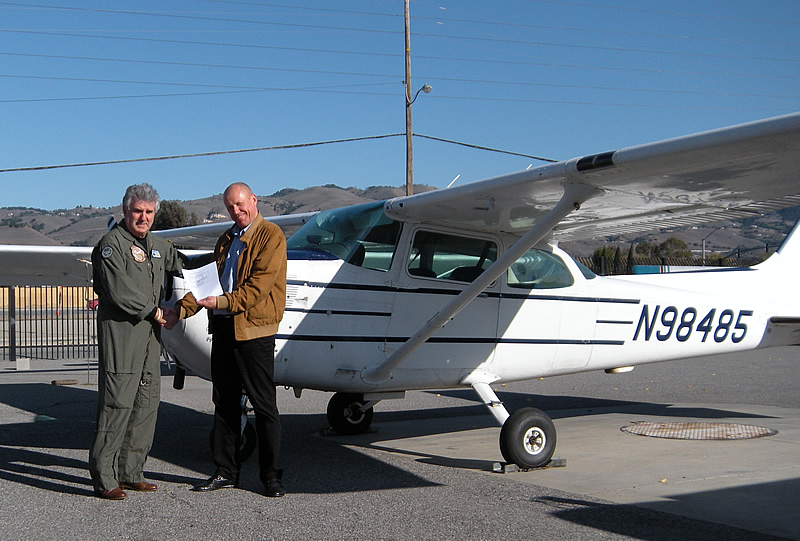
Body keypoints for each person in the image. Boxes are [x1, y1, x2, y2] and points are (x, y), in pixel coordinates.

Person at [171, 182, 287, 498]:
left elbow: (256, 289)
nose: (236, 211)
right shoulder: (226, 240)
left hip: (254, 333)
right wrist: (178, 312)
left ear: (254, 200)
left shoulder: (271, 237)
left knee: (264, 406)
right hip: (223, 330)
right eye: (230, 207)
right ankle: (225, 471)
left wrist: (219, 303)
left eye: (240, 204)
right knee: (224, 404)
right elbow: (208, 285)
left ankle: (271, 476)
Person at [88, 183, 183, 500]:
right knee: (117, 404)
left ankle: (131, 471)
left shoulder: (158, 245)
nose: (144, 217)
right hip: (123, 336)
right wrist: (156, 312)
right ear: (125, 210)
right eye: (138, 211)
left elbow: (182, 266)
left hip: (150, 339)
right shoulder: (111, 245)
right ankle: (104, 476)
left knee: (146, 404)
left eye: (149, 212)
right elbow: (121, 292)